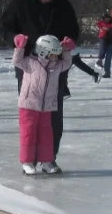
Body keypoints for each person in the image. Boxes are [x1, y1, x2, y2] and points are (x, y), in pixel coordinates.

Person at [1, 0, 81, 164]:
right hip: (29, 67)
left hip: (55, 66)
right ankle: (30, 159)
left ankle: (49, 158)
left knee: (53, 115)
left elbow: (74, 30)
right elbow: (5, 27)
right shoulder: (21, 3)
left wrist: (71, 41)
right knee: (31, 116)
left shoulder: (62, 4)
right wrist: (15, 39)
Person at [13, 33, 74, 175]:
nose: (56, 57)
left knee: (46, 135)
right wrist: (20, 47)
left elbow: (67, 63)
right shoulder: (30, 62)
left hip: (46, 106)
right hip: (29, 105)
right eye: (54, 53)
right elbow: (17, 61)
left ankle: (46, 162)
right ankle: (27, 162)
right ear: (43, 51)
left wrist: (66, 50)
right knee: (28, 134)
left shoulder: (56, 66)